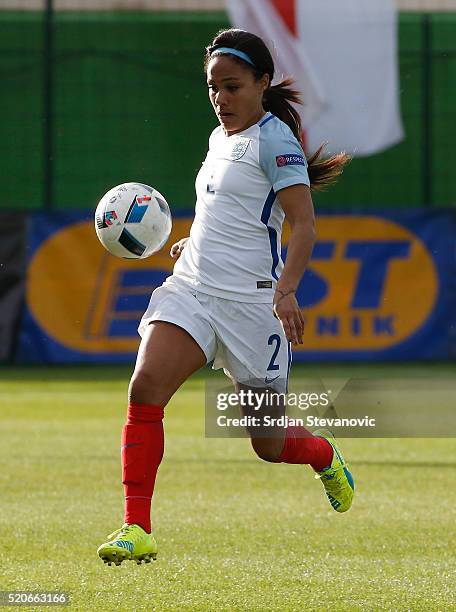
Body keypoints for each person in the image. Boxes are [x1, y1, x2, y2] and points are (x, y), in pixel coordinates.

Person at [97, 28, 353, 567]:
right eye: (213, 87)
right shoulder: (220, 139)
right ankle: (135, 527)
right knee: (144, 389)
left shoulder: (276, 141)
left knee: (269, 444)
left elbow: (303, 227)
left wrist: (287, 292)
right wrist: (196, 243)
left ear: (262, 83)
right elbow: (230, 213)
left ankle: (325, 455)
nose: (221, 98)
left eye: (233, 86)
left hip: (253, 307)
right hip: (194, 289)